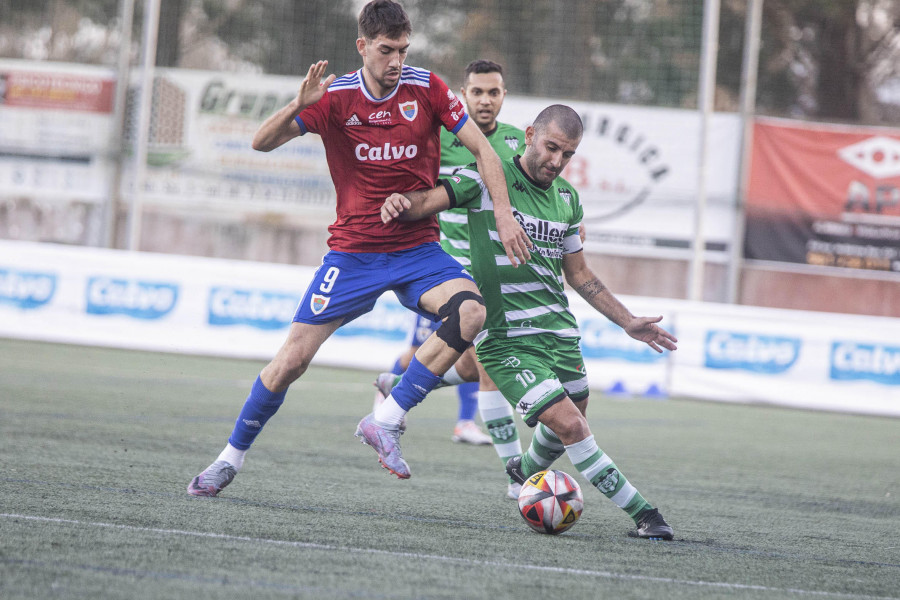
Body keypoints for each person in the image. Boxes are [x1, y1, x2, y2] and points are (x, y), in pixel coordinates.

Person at [186, 0, 531, 496]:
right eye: (387, 50)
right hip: (353, 254)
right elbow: (261, 142)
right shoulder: (336, 97)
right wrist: (299, 103)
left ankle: (387, 418)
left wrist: (503, 212)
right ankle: (228, 459)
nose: (396, 61)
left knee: (472, 312)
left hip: (417, 249)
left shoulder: (427, 89)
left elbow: (482, 150)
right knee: (291, 362)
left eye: (403, 50)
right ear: (362, 47)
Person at [379, 104, 677, 539]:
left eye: (568, 154)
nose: (556, 161)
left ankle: (525, 470)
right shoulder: (489, 178)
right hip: (506, 340)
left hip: (561, 335)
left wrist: (627, 321)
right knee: (573, 427)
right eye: (551, 147)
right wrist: (400, 203)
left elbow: (579, 274)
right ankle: (646, 516)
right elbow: (428, 201)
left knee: (568, 423)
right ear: (530, 134)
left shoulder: (568, 199)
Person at [375, 60, 526, 496]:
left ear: (503, 95)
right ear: (463, 95)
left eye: (493, 92)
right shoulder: (442, 138)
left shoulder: (516, 140)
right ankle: (516, 477)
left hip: (499, 270)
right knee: (490, 364)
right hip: (450, 270)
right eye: (476, 92)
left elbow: (540, 190)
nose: (485, 100)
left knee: (468, 361)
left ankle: (398, 385)